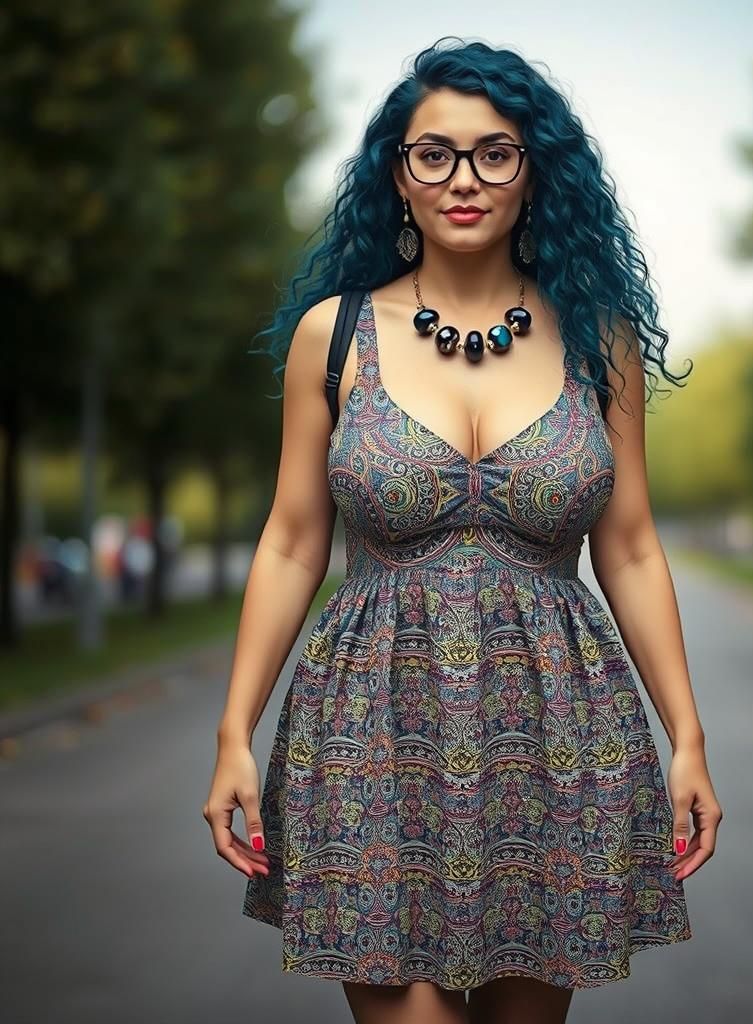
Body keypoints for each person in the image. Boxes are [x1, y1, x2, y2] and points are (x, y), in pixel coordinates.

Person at [203, 36, 722, 1024]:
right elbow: (290, 541)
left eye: (495, 152)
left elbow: (631, 544)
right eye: (432, 153)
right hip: (368, 736)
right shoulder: (334, 334)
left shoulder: (595, 336)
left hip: (556, 741)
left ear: (535, 173)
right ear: (396, 178)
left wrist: (686, 733)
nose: (463, 178)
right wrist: (234, 727)